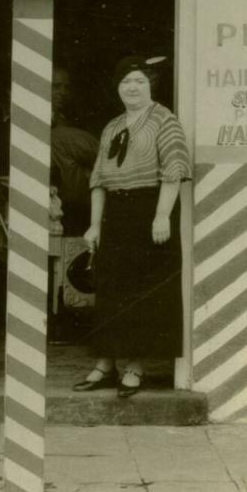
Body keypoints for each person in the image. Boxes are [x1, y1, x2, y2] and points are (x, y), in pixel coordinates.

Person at [73, 53, 190, 398]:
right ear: (117, 88)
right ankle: (104, 365)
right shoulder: (112, 126)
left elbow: (174, 169)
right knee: (110, 287)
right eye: (126, 82)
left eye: (139, 81)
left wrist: (161, 215)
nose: (133, 87)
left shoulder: (165, 120)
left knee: (142, 291)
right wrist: (94, 226)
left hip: (148, 211)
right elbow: (98, 179)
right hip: (116, 215)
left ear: (151, 84)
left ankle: (135, 367)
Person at [49, 65, 98, 236]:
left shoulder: (64, 120)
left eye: (66, 87)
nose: (63, 92)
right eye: (56, 86)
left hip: (71, 205)